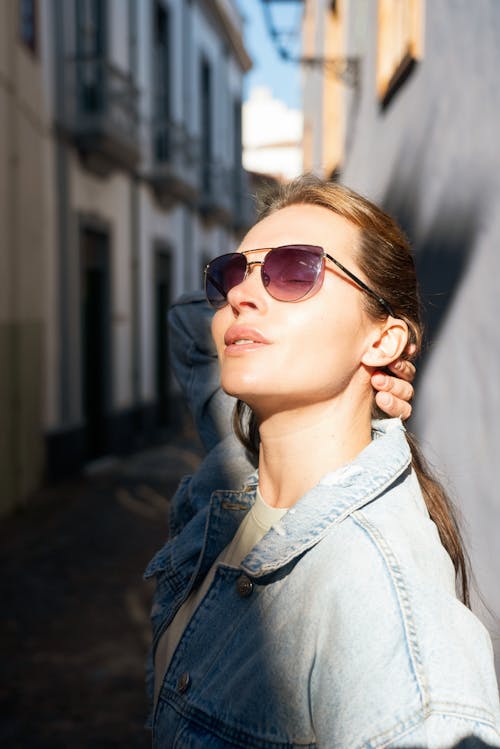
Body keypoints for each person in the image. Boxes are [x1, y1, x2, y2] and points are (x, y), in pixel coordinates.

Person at [145, 176, 500, 748]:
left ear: (383, 342)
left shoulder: (379, 610)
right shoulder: (238, 475)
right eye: (234, 272)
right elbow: (189, 320)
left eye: (294, 270)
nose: (241, 294)